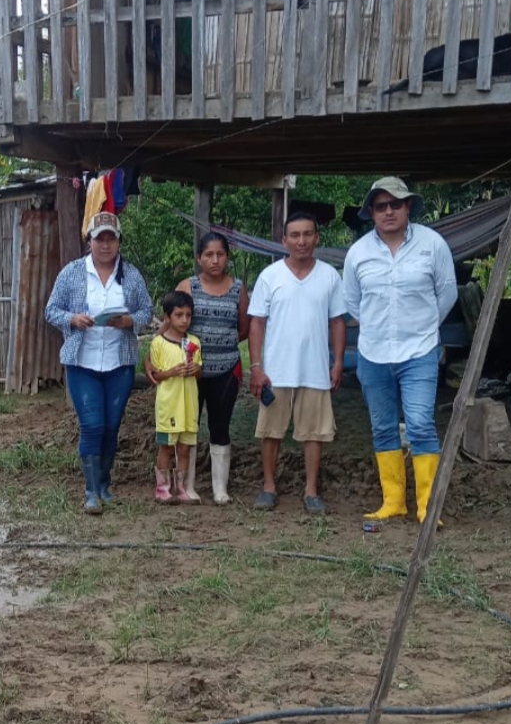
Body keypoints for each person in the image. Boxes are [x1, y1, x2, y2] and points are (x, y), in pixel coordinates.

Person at [342, 177, 457, 523]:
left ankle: (427, 507)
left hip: (419, 350)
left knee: (420, 424)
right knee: (382, 427)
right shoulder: (358, 252)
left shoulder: (432, 244)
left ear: (408, 207)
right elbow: (352, 301)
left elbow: (447, 293)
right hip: (373, 352)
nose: (388, 211)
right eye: (381, 206)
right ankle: (393, 502)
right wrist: (379, 326)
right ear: (372, 212)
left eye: (395, 204)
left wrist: (422, 326)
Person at [45, 212, 154, 514]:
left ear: (119, 242)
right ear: (89, 241)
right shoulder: (72, 273)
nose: (105, 245)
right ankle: (91, 491)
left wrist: (128, 321)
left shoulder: (130, 275)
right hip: (82, 362)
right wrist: (73, 319)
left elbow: (147, 311)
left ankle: (105, 484)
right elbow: (51, 310)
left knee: (111, 425)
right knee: (92, 425)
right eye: (99, 239)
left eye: (111, 239)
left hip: (119, 363)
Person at [247, 212, 346, 514]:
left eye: (307, 234)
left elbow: (337, 321)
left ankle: (311, 491)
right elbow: (256, 323)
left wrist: (338, 362)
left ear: (317, 238)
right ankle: (268, 487)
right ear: (284, 240)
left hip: (315, 369)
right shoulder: (270, 276)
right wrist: (256, 367)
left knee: (314, 433)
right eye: (295, 235)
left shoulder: (329, 276)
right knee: (270, 431)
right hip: (276, 371)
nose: (301, 241)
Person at [175, 231, 249, 504]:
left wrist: (221, 343)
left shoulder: (238, 289)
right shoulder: (188, 287)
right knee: (189, 427)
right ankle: (187, 486)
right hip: (190, 372)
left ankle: (220, 489)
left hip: (226, 370)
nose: (215, 260)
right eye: (209, 255)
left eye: (220, 254)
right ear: (199, 258)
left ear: (227, 257)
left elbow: (244, 328)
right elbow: (173, 324)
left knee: (220, 426)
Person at [145, 292, 203, 502]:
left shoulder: (194, 342)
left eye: (188, 315)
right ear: (167, 317)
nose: (184, 320)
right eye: (179, 315)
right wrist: (171, 372)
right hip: (169, 405)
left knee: (185, 448)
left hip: (189, 406)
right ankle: (162, 489)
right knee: (167, 447)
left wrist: (195, 369)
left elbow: (199, 373)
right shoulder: (159, 343)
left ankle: (182, 488)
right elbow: (155, 375)